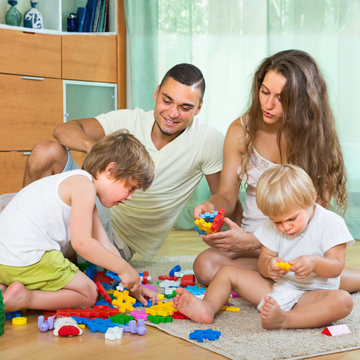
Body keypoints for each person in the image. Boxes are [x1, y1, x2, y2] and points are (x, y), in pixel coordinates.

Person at [193, 49, 360, 293]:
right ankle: (305, 280)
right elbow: (227, 195)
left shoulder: (316, 139)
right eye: (264, 91)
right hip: (255, 246)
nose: (268, 104)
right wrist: (211, 206)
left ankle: (308, 277)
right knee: (205, 266)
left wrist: (262, 241)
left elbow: (318, 214)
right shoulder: (241, 131)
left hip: (300, 243)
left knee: (290, 264)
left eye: (281, 98)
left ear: (302, 101)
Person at [22, 63, 227, 262]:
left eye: (185, 107)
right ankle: (22, 239)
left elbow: (225, 196)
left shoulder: (208, 141)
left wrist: (216, 215)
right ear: (156, 94)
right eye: (167, 101)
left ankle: (36, 255)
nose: (173, 113)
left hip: (119, 240)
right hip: (90, 205)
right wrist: (97, 149)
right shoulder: (128, 120)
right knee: (45, 152)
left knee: (65, 255)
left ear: (198, 108)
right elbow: (63, 130)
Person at [174, 165, 354, 329]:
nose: (285, 227)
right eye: (278, 222)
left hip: (314, 294)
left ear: (311, 200)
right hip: (279, 288)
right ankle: (207, 307)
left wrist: (314, 263)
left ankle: (285, 319)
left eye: (292, 219)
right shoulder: (272, 224)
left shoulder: (330, 223)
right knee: (227, 271)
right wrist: (269, 266)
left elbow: (336, 266)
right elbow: (263, 262)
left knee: (343, 300)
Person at [0, 130, 158, 313]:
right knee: (89, 294)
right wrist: (123, 268)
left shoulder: (77, 183)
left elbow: (104, 243)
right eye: (131, 188)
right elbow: (82, 243)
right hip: (28, 259)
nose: (130, 197)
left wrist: (133, 283)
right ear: (111, 170)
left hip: (5, 260)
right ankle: (24, 298)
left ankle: (6, 287)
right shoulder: (84, 187)